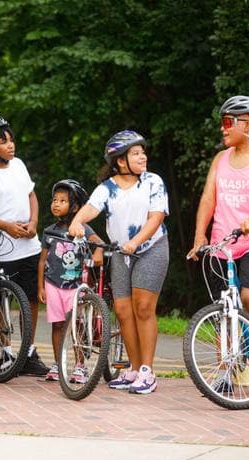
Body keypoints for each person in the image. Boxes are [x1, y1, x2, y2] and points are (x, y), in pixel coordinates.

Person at [187, 95, 249, 379]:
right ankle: (226, 370)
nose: (223, 128)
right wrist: (199, 236)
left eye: (229, 122)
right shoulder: (221, 159)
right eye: (223, 122)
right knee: (223, 307)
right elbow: (208, 197)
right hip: (223, 242)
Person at [69, 130, 169, 395]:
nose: (143, 156)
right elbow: (90, 208)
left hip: (151, 248)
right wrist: (77, 221)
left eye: (143, 152)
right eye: (136, 153)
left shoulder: (153, 182)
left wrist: (135, 242)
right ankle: (134, 369)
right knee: (123, 312)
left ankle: (148, 371)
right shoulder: (108, 187)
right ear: (120, 161)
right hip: (121, 255)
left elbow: (156, 218)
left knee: (143, 307)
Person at [0, 116, 49, 376]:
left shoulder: (19, 166)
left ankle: (28, 351)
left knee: (30, 299)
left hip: (29, 245)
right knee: (2, 298)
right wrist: (5, 226)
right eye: (3, 142)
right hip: (2, 247)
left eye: (11, 139)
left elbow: (31, 195)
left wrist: (34, 221)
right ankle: (5, 352)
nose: (11, 145)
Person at [38, 179, 104, 382]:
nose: (56, 204)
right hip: (52, 284)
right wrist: (40, 286)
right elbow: (42, 261)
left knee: (77, 325)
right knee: (57, 325)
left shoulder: (83, 228)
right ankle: (58, 364)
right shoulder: (49, 231)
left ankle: (80, 365)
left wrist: (98, 254)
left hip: (76, 286)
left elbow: (99, 243)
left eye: (62, 201)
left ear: (75, 206)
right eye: (54, 200)